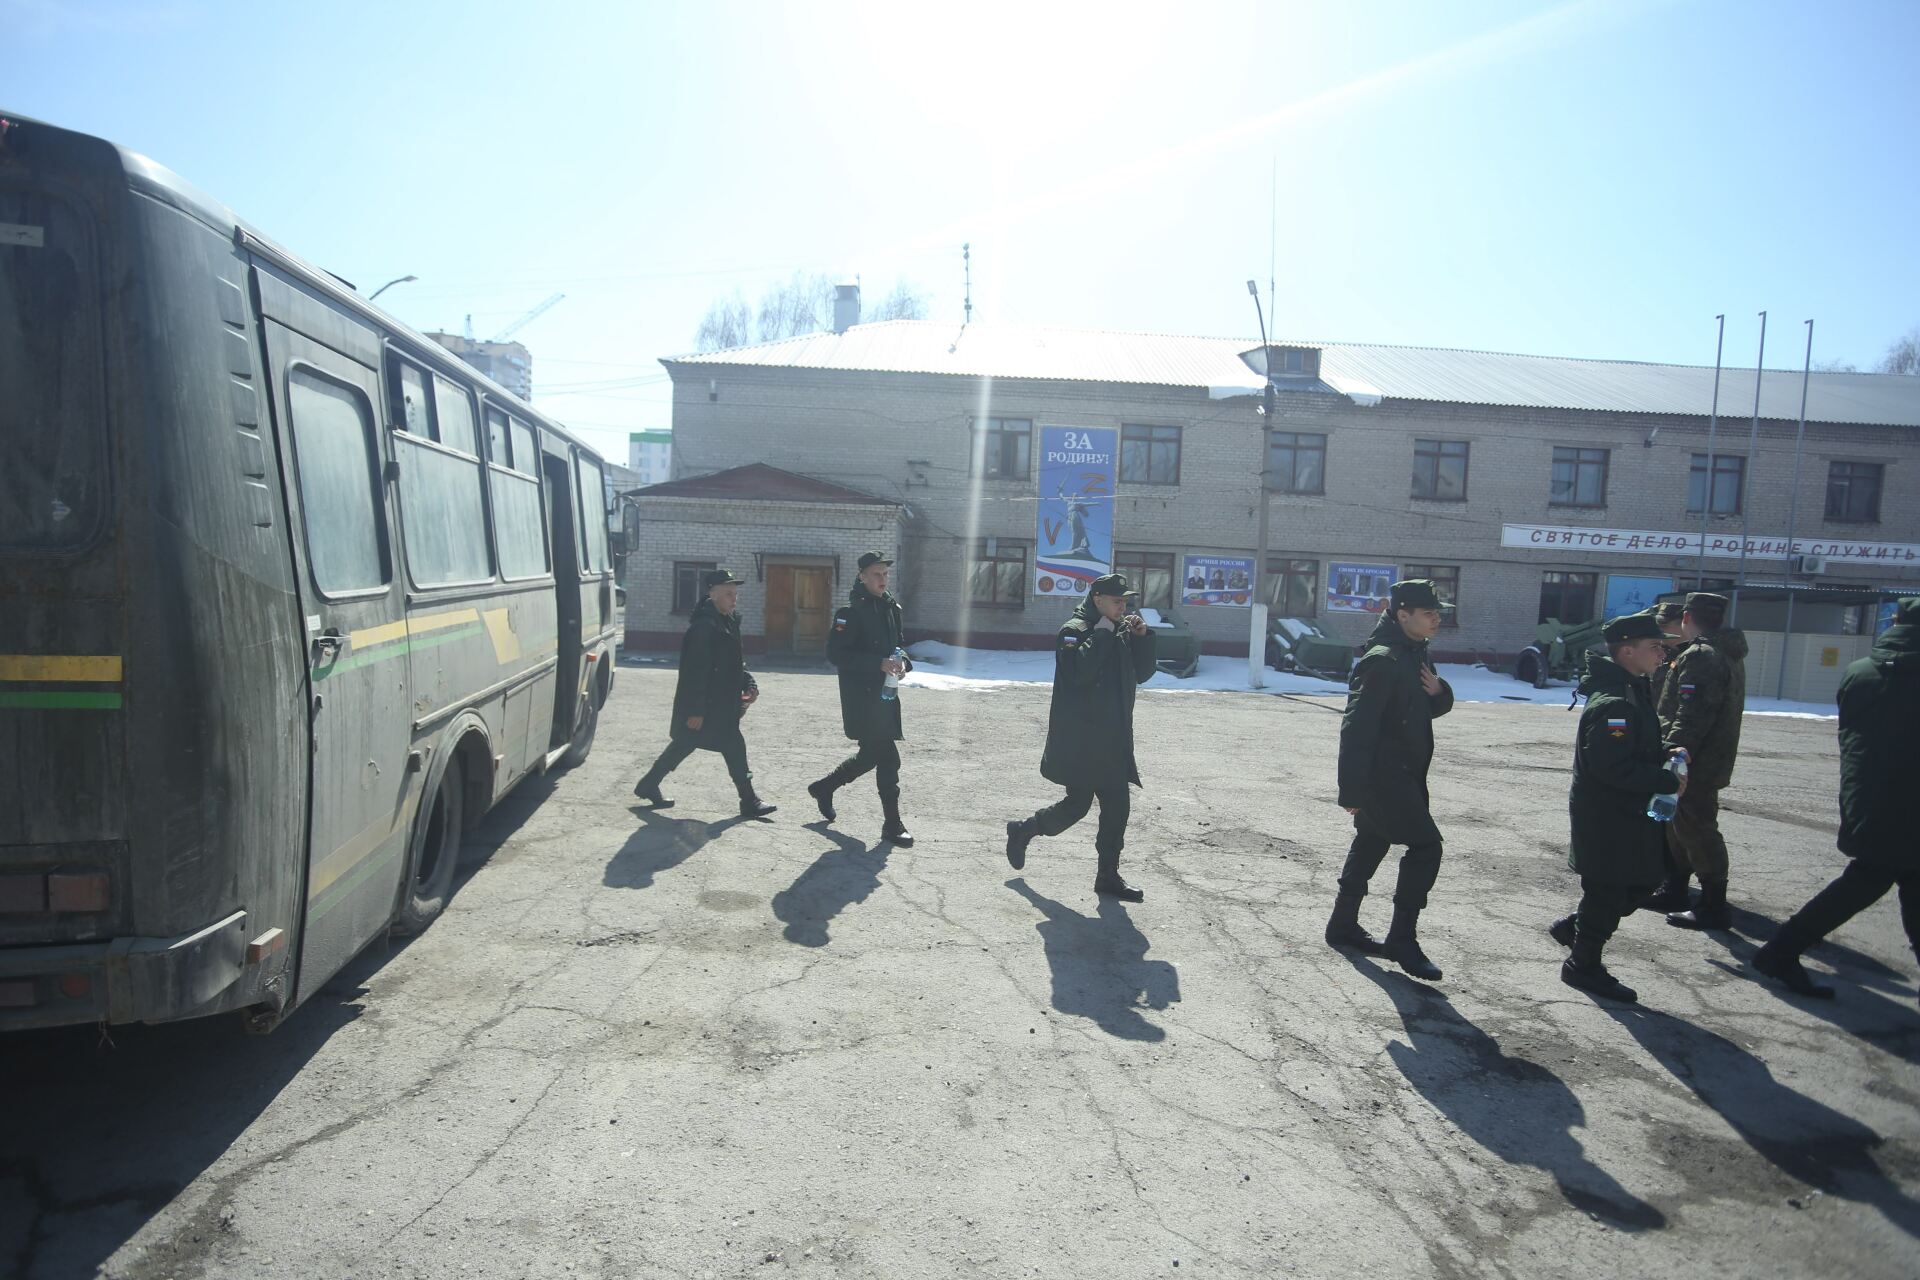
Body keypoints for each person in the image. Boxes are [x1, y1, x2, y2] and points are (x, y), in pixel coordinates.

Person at [1751, 599, 1920, 1000]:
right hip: (1909, 802)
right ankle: (1780, 951)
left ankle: (1780, 951)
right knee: (1873, 879)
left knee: (1881, 878)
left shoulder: (1861, 671)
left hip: (1868, 795)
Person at [1548, 613, 1685, 1003]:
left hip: (1625, 814)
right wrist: (1666, 780)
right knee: (1608, 890)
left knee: (1640, 881)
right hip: (1607, 817)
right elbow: (1611, 766)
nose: (1662, 654)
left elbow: (1636, 746)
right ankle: (1583, 964)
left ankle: (1577, 928)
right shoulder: (1615, 705)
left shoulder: (1632, 689)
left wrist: (1666, 752)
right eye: (1654, 647)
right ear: (1627, 651)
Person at [1325, 580, 1455, 981]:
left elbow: (1420, 709)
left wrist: (1441, 692)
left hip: (1406, 773)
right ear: (1403, 615)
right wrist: (1351, 789)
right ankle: (1402, 938)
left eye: (1438, 613)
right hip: (1384, 777)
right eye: (1429, 613)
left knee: (1372, 840)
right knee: (1426, 847)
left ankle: (1342, 925)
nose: (1437, 619)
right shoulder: (1382, 660)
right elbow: (1357, 728)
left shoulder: (1415, 653)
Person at [1003, 573, 1158, 902]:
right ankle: (1023, 830)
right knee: (1077, 806)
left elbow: (1143, 673)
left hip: (1113, 738)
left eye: (1125, 602)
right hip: (1082, 740)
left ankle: (1108, 876)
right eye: (1117, 601)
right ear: (1098, 599)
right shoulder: (1073, 631)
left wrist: (1142, 638)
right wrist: (1101, 635)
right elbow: (1079, 675)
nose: (1123, 607)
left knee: (1118, 808)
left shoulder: (1119, 630)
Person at [632, 568, 777, 817]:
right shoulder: (703, 627)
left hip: (721, 703)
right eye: (728, 594)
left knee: (685, 744)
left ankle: (648, 784)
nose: (734, 599)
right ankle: (749, 800)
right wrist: (695, 710)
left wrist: (750, 684)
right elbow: (694, 672)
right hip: (708, 705)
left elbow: (734, 663)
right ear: (713, 594)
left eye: (735, 594)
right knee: (732, 746)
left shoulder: (728, 621)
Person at [1650, 592, 1748, 930]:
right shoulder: (1723, 652)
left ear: (1687, 617)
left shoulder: (1701, 656)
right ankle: (1675, 888)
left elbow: (1691, 713)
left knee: (1698, 829)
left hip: (1694, 762)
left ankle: (1713, 905)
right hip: (1707, 757)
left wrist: (1676, 753)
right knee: (1677, 825)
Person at [808, 552, 915, 845]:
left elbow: (899, 646)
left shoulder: (891, 608)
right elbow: (836, 654)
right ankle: (892, 825)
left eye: (885, 574)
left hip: (885, 695)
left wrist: (902, 663)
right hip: (862, 698)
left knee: (870, 756)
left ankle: (824, 787)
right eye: (876, 574)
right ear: (862, 577)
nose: (883, 579)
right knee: (888, 759)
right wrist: (878, 663)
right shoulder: (850, 612)